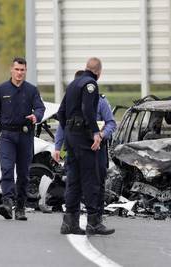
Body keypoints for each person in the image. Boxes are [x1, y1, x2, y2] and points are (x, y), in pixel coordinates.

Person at [0, 57, 45, 221]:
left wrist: (36, 116)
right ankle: (7, 202)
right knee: (7, 169)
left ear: (25, 71)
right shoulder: (1, 89)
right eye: (17, 69)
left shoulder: (31, 90)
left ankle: (21, 207)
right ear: (11, 70)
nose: (19, 73)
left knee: (23, 174)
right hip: (7, 136)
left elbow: (40, 107)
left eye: (22, 70)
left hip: (25, 136)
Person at [57, 57, 115, 235]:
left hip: (71, 137)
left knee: (73, 179)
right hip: (83, 137)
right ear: (99, 72)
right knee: (91, 178)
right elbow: (88, 110)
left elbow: (61, 112)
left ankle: (69, 222)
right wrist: (95, 133)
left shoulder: (73, 84)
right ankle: (93, 222)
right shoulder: (91, 84)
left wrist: (68, 130)